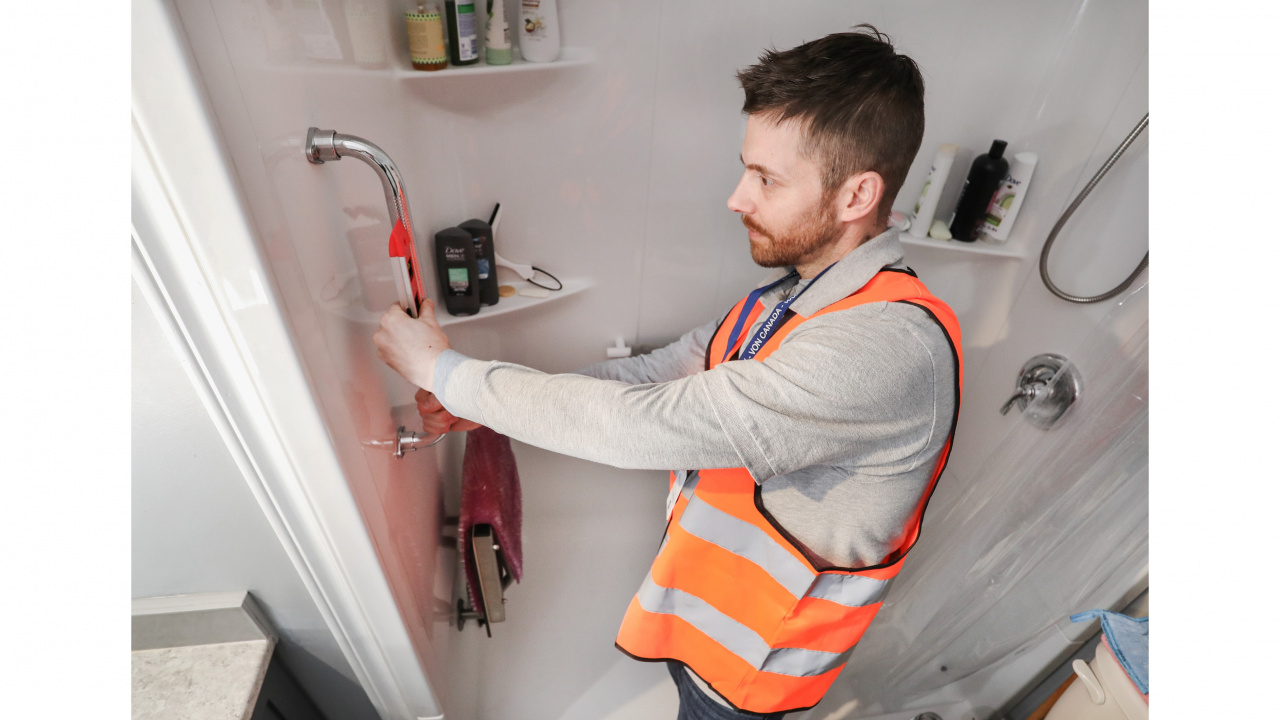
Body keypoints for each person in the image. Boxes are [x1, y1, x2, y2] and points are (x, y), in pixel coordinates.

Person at [373, 25, 962, 719]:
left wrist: (443, 370)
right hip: (709, 627)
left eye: (766, 178)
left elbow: (640, 426)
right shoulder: (792, 297)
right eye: (747, 168)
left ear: (857, 196)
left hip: (753, 672)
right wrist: (482, 406)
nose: (736, 198)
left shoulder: (883, 347)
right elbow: (654, 378)